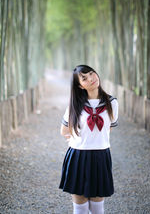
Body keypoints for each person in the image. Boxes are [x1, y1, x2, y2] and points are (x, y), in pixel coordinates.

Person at [59, 65, 118, 214]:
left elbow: (108, 128)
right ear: (80, 85)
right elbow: (64, 130)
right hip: (78, 156)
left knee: (98, 207)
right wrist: (78, 140)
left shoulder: (112, 103)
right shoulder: (74, 104)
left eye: (92, 73)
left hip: (101, 155)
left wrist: (95, 139)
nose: (91, 78)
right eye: (84, 78)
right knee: (80, 207)